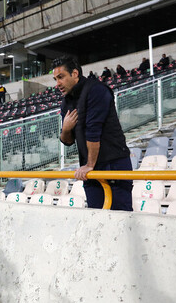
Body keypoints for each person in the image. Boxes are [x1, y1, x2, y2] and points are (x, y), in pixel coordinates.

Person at [53, 56, 132, 211]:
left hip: (113, 163)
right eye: (55, 79)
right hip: (90, 168)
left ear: (75, 73)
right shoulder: (66, 101)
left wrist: (89, 165)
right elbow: (67, 141)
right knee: (97, 219)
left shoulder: (96, 89)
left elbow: (93, 131)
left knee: (121, 219)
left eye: (61, 77)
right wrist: (66, 129)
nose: (57, 84)